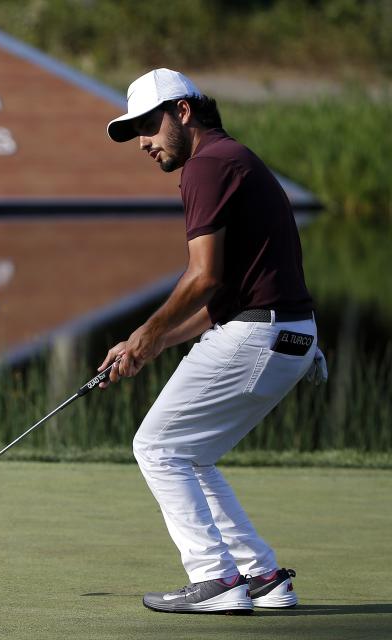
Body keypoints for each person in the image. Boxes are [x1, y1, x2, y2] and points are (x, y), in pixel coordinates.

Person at [101, 68, 326, 615]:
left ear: (183, 111)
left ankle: (215, 579)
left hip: (260, 333)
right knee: (191, 455)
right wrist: (151, 345)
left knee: (156, 448)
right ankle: (263, 576)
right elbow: (221, 298)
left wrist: (145, 329)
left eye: (148, 126)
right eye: (133, 133)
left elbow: (201, 277)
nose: (144, 143)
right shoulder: (233, 157)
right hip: (290, 335)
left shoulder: (205, 166)